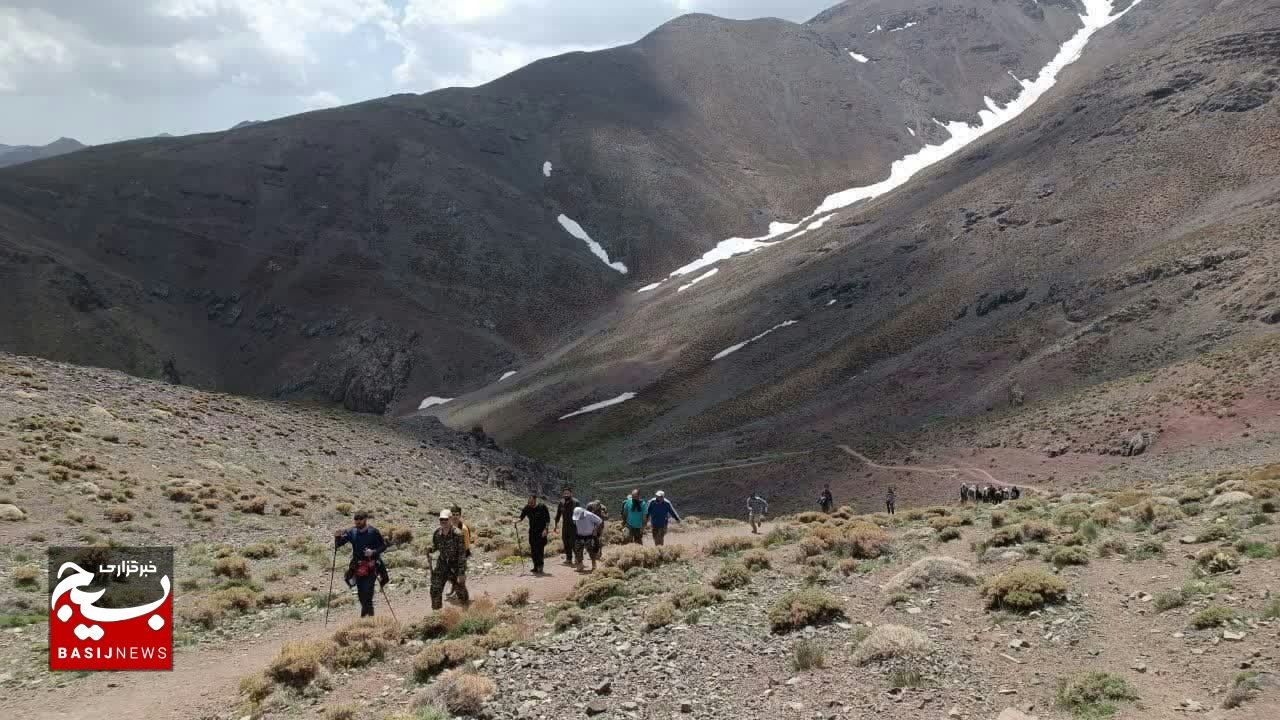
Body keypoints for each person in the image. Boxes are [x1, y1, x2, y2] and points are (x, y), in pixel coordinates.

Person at [334, 511, 387, 617]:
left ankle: (367, 616)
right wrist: (337, 537)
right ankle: (368, 613)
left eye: (360, 519)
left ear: (365, 519)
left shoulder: (373, 532)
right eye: (356, 519)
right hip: (358, 566)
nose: (358, 521)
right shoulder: (351, 532)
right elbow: (339, 544)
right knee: (360, 592)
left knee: (368, 590)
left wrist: (373, 552)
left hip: (372, 565)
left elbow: (383, 546)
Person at [429, 509, 468, 610]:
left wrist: (461, 573)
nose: (443, 522)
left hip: (455, 565)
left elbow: (462, 555)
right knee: (435, 589)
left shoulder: (458, 534)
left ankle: (466, 608)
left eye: (445, 520)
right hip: (442, 564)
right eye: (441, 520)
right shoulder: (437, 533)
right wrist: (430, 550)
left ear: (450, 519)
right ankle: (436, 614)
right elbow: (436, 546)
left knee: (460, 590)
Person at [514, 495, 551, 573]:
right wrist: (516, 521)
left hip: (541, 532)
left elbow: (548, 519)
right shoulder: (527, 507)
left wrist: (546, 529)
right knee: (533, 549)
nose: (530, 504)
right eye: (529, 502)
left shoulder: (542, 507)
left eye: (532, 502)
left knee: (540, 549)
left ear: (535, 500)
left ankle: (540, 566)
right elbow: (521, 517)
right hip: (532, 532)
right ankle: (535, 566)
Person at [446, 504, 471, 599]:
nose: (455, 516)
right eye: (453, 514)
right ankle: (453, 585)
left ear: (460, 516)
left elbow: (466, 545)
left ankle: (461, 589)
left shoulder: (463, 529)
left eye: (457, 514)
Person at [572, 505, 603, 572]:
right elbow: (574, 523)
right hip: (579, 536)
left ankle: (594, 565)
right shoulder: (576, 516)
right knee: (577, 551)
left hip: (589, 536)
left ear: (583, 513)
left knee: (592, 551)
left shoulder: (589, 515)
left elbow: (599, 521)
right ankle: (580, 565)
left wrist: (595, 530)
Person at [554, 488, 580, 566]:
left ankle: (577, 558)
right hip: (565, 525)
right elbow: (558, 514)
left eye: (567, 493)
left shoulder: (576, 502)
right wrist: (556, 525)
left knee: (573, 542)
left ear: (571, 493)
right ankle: (569, 559)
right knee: (565, 542)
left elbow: (580, 513)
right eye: (565, 493)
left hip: (574, 526)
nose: (566, 495)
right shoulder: (561, 502)